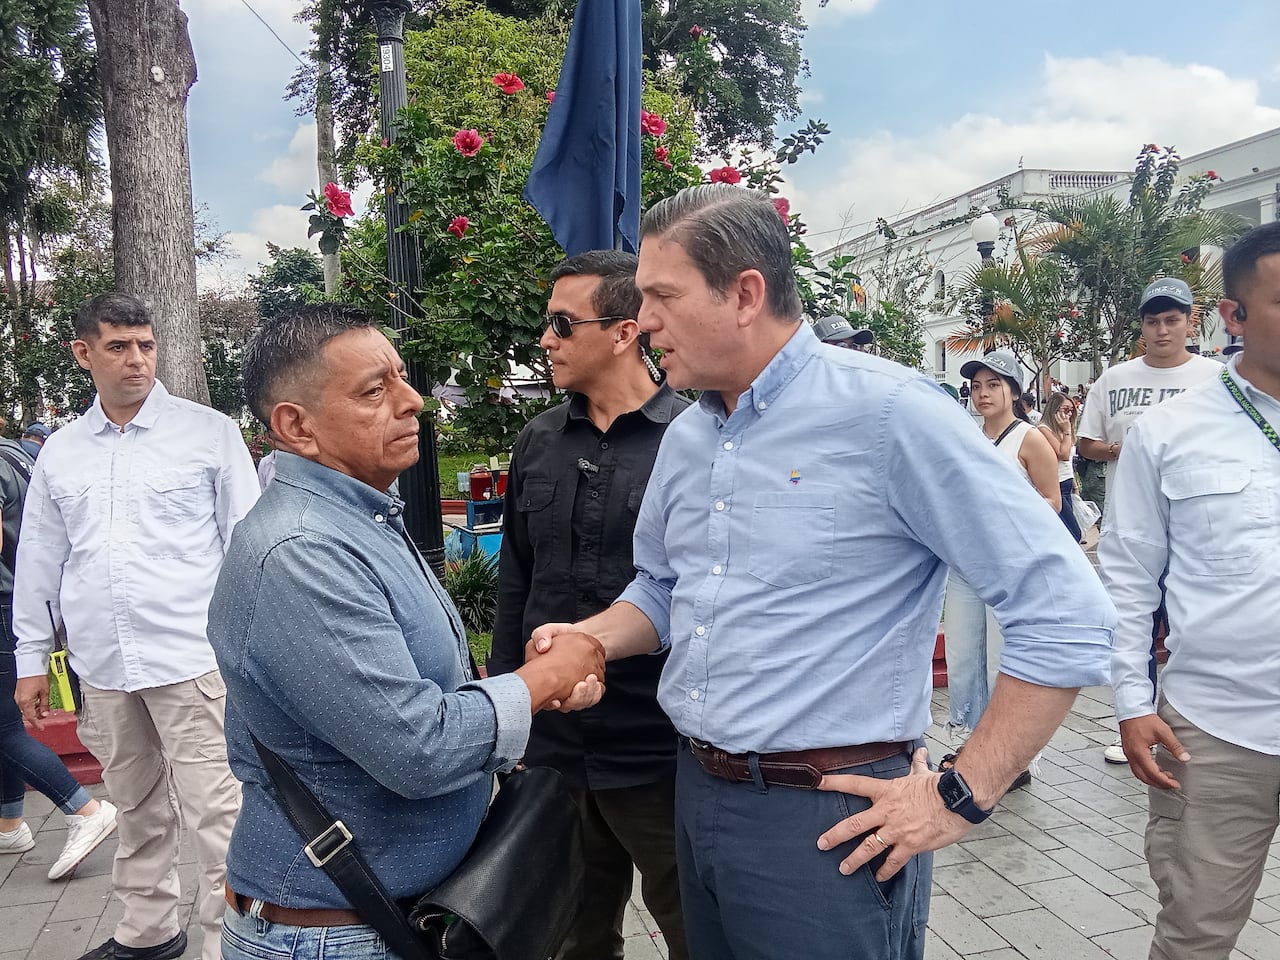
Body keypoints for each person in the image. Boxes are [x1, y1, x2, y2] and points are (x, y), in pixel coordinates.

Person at [527, 185, 1114, 960]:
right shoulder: (691, 437)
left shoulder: (891, 414)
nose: (646, 322)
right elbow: (664, 588)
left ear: (745, 294)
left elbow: (1066, 612)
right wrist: (593, 639)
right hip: (694, 791)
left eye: (663, 296)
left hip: (828, 819)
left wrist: (960, 793)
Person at [209, 304, 606, 960]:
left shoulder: (356, 517)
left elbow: (426, 689)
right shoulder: (302, 551)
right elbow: (419, 750)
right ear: (296, 426)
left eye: (400, 376)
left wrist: (531, 689)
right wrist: (540, 681)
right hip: (335, 932)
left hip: (400, 914)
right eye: (374, 390)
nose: (412, 400)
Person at [12, 292, 259, 960]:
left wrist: (251, 648)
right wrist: (31, 659)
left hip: (192, 660)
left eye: (146, 345)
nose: (137, 360)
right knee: (133, 805)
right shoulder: (62, 453)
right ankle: (147, 932)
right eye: (118, 347)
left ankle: (227, 944)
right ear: (83, 353)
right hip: (104, 666)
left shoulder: (207, 434)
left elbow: (247, 547)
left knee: (218, 812)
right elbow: (40, 558)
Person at [489, 251, 689, 960]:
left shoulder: (691, 441)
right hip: (554, 747)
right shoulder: (538, 442)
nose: (546, 339)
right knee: (573, 938)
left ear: (625, 331)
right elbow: (515, 580)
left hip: (659, 744)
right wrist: (507, 712)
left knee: (697, 929)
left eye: (563, 323)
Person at [1099, 222, 1280, 960]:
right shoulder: (1169, 432)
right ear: (1233, 316)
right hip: (1216, 730)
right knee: (1196, 933)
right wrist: (1131, 701)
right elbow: (1128, 577)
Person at [1076, 276, 1219, 764]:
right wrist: (1128, 449)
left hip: (1198, 529)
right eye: (1153, 321)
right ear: (1142, 327)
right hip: (1132, 525)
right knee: (1134, 624)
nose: (1162, 330)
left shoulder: (1216, 379)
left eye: (1172, 320)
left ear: (1190, 323)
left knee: (1188, 628)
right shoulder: (1114, 380)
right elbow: (1087, 443)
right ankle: (1135, 721)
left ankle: (1189, 725)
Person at [942, 350, 1062, 787]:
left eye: (993, 385)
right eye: (977, 386)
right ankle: (975, 744)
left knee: (1001, 660)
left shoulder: (1029, 439)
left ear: (1013, 390)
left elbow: (1053, 502)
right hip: (967, 564)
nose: (983, 394)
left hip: (1010, 567)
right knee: (963, 655)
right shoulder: (968, 438)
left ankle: (1014, 758)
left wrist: (1006, 514)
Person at [0, 429, 118, 872]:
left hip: (4, 602)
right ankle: (10, 823)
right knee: (4, 724)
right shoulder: (18, 455)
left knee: (3, 730)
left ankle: (83, 809)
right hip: (15, 600)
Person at [1037, 391, 1084, 543]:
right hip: (1055, 485)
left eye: (1071, 410)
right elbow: (1063, 454)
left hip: (1066, 482)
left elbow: (1067, 461)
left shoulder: (1062, 430)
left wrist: (1074, 484)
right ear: (1054, 409)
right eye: (1065, 409)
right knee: (1073, 532)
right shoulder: (1044, 429)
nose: (1069, 414)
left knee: (1067, 531)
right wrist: (1067, 431)